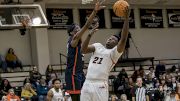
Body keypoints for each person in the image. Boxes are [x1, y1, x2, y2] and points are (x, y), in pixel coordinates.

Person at [80, 4, 130, 101]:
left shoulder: (114, 52)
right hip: (87, 82)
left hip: (100, 84)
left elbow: (123, 39)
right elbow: (83, 50)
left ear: (116, 44)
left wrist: (126, 19)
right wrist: (89, 35)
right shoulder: (98, 46)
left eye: (113, 39)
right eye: (109, 37)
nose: (110, 39)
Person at [65, 1, 105, 101]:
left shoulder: (79, 44)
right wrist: (95, 11)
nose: (79, 30)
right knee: (77, 99)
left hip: (80, 73)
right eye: (77, 29)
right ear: (71, 33)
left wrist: (90, 34)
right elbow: (87, 25)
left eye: (79, 28)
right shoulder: (73, 40)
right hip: (72, 74)